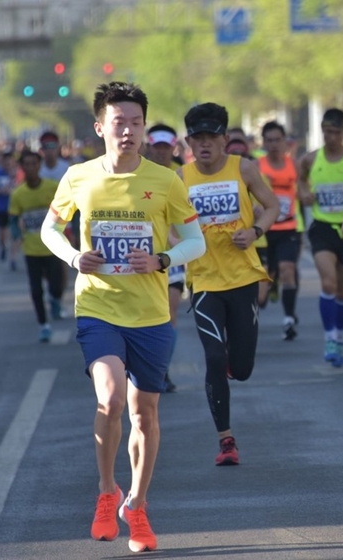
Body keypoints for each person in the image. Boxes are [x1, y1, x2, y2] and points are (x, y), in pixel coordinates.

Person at [39, 81, 206, 553]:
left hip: (151, 313)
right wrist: (74, 257)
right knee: (110, 399)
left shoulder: (166, 180)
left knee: (144, 412)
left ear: (144, 127)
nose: (129, 131)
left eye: (136, 122)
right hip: (98, 306)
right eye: (119, 123)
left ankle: (137, 503)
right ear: (100, 128)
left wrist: (162, 259)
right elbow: (52, 229)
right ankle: (106, 491)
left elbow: (196, 242)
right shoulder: (78, 176)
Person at [179, 102, 279, 466]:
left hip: (243, 277)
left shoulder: (244, 168)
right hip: (204, 280)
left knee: (242, 367)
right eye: (197, 138)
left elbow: (272, 206)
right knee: (214, 356)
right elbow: (168, 224)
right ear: (189, 142)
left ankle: (230, 368)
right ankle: (226, 440)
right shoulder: (181, 178)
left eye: (211, 137)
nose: (204, 144)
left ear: (224, 140)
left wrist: (255, 231)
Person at [298, 108, 343, 367]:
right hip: (322, 227)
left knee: (342, 286)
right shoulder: (311, 159)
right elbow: (301, 180)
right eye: (327, 132)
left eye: (336, 132)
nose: (331, 137)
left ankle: (339, 333)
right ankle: (331, 337)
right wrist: (304, 192)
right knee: (328, 283)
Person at [8, 150, 63, 342]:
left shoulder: (53, 187)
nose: (30, 168)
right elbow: (14, 219)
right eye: (27, 164)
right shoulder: (18, 194)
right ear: (22, 168)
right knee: (36, 290)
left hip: (54, 246)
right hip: (32, 250)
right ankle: (44, 325)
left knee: (56, 286)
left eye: (34, 163)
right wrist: (16, 234)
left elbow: (67, 210)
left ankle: (55, 300)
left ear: (39, 166)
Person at [145, 124, 183, 393]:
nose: (161, 152)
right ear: (148, 146)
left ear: (174, 148)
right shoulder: (138, 174)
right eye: (156, 147)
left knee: (168, 314)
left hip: (173, 256)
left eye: (165, 147)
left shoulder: (181, 176)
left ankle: (162, 371)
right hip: (142, 256)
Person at [259, 121, 303, 340]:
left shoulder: (293, 166)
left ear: (285, 142)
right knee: (261, 291)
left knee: (288, 269)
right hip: (264, 230)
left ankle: (288, 318)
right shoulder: (256, 167)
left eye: (278, 140)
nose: (274, 144)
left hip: (288, 228)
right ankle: (269, 287)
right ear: (263, 143)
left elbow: (303, 192)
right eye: (269, 140)